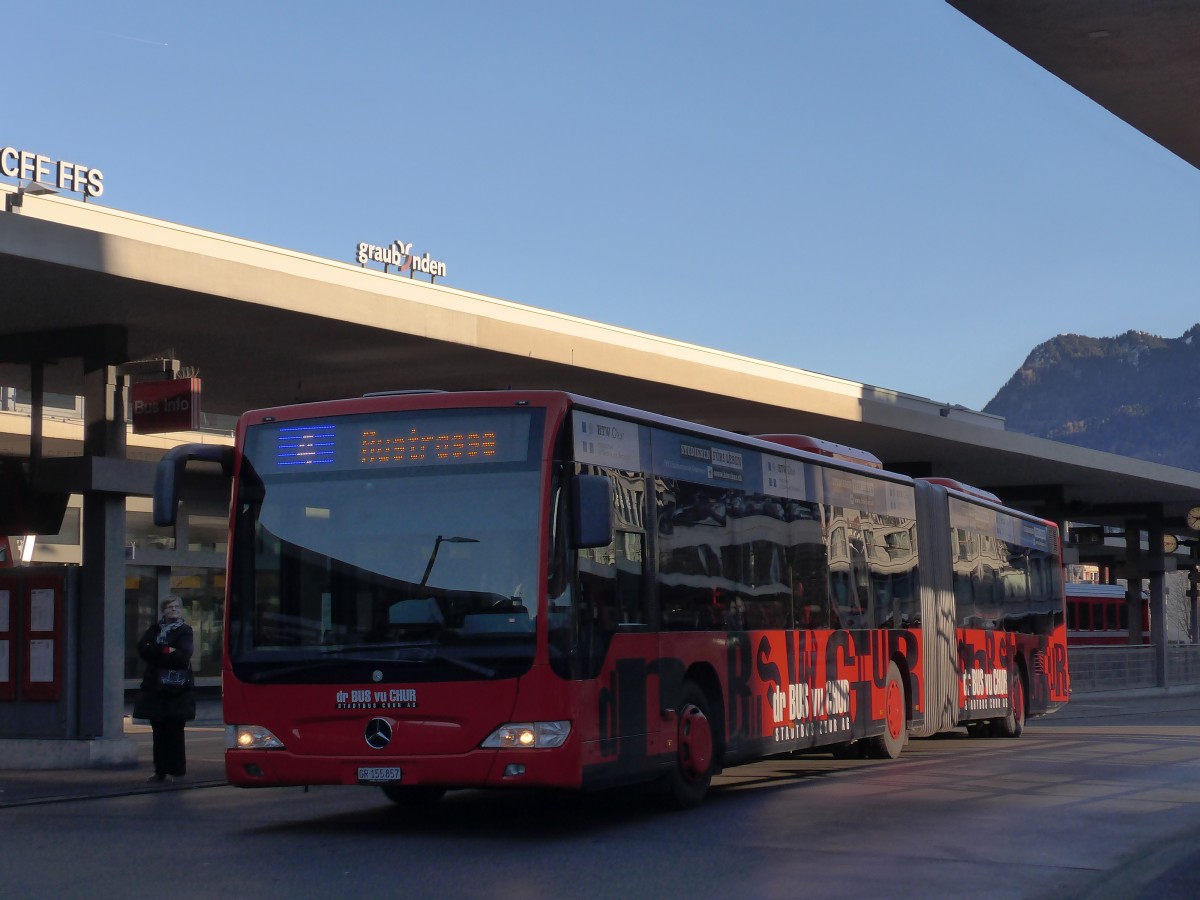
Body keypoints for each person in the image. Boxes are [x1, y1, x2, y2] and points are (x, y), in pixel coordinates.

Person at [133, 595, 196, 782]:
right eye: (170, 607)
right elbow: (143, 648)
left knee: (175, 731)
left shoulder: (185, 630)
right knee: (158, 730)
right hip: (156, 689)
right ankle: (160, 770)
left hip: (176, 689)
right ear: (163, 611)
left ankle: (177, 771)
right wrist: (167, 650)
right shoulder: (155, 629)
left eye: (176, 607)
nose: (173, 610)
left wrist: (159, 651)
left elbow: (183, 655)